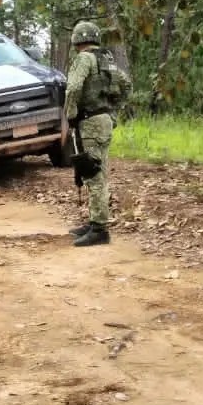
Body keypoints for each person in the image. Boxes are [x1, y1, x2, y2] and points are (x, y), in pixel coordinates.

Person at [64, 21, 125, 247]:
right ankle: (94, 221)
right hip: (105, 121)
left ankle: (99, 228)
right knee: (99, 172)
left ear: (76, 40)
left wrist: (69, 114)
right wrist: (112, 111)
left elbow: (73, 88)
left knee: (93, 174)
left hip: (89, 122)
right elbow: (125, 84)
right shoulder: (105, 59)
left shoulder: (84, 59)